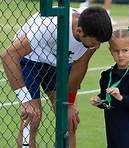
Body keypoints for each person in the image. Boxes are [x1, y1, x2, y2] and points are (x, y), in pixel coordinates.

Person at [0, 6, 112, 148]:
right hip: (30, 59)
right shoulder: (51, 26)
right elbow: (8, 55)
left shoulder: (93, 38)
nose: (97, 47)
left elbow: (79, 68)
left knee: (69, 119)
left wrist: (69, 103)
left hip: (58, 62)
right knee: (32, 116)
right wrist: (25, 100)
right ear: (79, 31)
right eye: (94, 43)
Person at [90, 26, 129, 148]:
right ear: (110, 51)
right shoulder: (107, 75)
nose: (120, 55)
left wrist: (121, 97)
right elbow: (106, 99)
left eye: (125, 50)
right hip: (113, 127)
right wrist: (99, 100)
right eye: (116, 51)